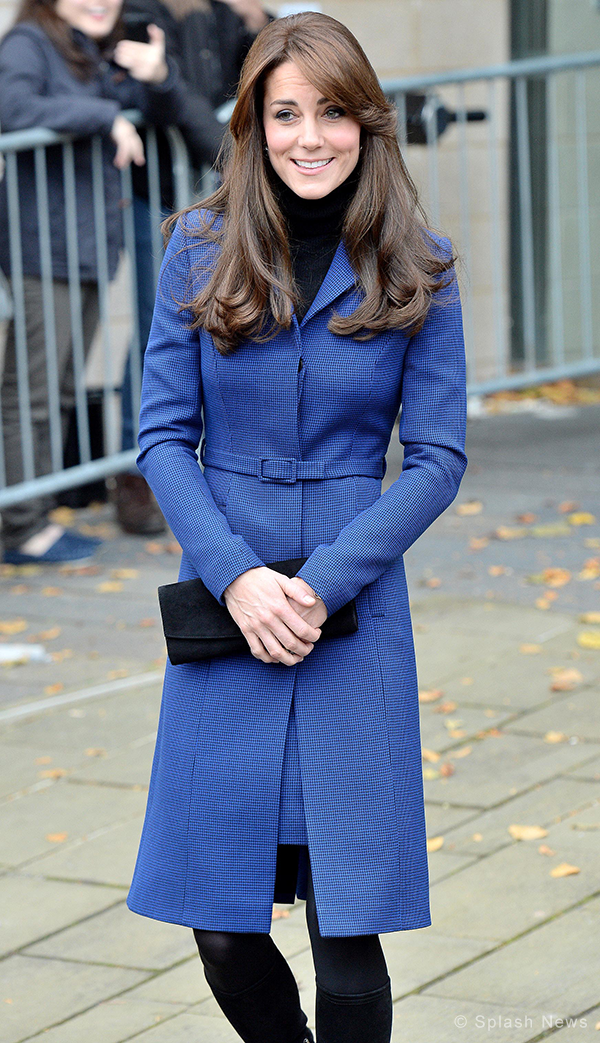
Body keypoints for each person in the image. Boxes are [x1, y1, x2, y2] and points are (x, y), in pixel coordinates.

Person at [126, 12, 468, 1043]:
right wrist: (236, 577)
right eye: (284, 113)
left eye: (330, 112)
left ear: (366, 123)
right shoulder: (195, 245)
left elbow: (440, 458)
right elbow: (159, 437)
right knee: (222, 925)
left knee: (345, 929)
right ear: (253, 125)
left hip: (348, 615)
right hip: (226, 606)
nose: (308, 136)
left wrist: (321, 582)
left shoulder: (423, 262)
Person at [0, 0, 188, 563]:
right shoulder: (29, 43)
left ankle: (29, 518)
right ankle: (20, 527)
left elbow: (154, 110)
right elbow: (10, 107)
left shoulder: (93, 51)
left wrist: (160, 78)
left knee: (53, 390)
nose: (101, 1)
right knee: (32, 393)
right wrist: (103, 117)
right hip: (42, 247)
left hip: (81, 247)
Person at [114, 0, 273, 535]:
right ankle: (136, 479)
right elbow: (157, 105)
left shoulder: (227, 13)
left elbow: (263, 81)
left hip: (211, 197)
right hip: (153, 196)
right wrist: (231, 155)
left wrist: (258, 23)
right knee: (153, 332)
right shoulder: (139, 12)